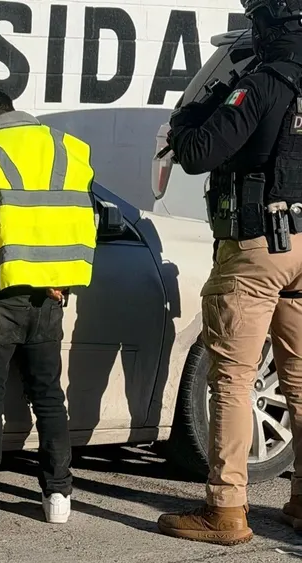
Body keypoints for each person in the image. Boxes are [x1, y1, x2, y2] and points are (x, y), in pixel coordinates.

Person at [157, 0, 302, 546]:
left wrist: (194, 114)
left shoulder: (262, 84)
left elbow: (196, 153)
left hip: (258, 246)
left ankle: (226, 510)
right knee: (300, 379)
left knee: (234, 379)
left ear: (267, 28)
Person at [0, 88, 97, 533]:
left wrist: (15, 267)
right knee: (48, 396)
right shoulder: (69, 147)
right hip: (52, 292)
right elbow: (88, 218)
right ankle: (59, 495)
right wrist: (53, 275)